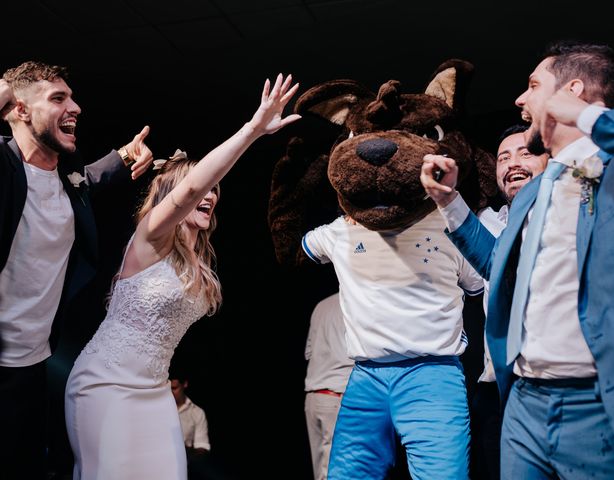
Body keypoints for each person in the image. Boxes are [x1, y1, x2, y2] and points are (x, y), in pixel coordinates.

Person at [421, 40, 614, 478]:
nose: (521, 99)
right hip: (523, 401)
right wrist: (449, 204)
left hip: (597, 402)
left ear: (571, 91)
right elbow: (500, 268)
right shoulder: (533, 192)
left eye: (533, 85)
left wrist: (583, 114)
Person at [64, 73, 300, 479]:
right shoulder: (151, 235)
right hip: (106, 385)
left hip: (156, 394)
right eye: (206, 187)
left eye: (216, 190)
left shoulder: (198, 260)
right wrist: (253, 129)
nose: (210, 194)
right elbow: (192, 187)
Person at [0, 60, 153, 480]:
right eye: (58, 98)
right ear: (19, 109)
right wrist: (7, 91)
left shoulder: (68, 177)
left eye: (71, 96)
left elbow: (87, 180)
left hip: (33, 365)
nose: (76, 107)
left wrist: (125, 156)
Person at [302, 204, 483, 478]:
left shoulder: (446, 225)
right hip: (367, 375)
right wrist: (352, 209)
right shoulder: (344, 229)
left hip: (432, 373)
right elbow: (297, 245)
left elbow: (477, 283)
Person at [470, 124, 548, 480]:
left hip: (558, 383)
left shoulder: (572, 210)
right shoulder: (486, 224)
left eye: (525, 153)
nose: (512, 163)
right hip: (498, 391)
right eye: (504, 157)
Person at [304, 292, 354, 480]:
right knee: (338, 470)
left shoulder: (321, 305)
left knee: (322, 472)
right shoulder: (358, 304)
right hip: (337, 395)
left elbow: (308, 352)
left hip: (314, 397)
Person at [170, 375, 211, 456]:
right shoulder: (158, 409)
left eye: (174, 388)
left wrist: (184, 451)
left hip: (185, 460)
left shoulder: (197, 412)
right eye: (168, 389)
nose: (170, 393)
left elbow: (202, 446)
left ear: (184, 384)